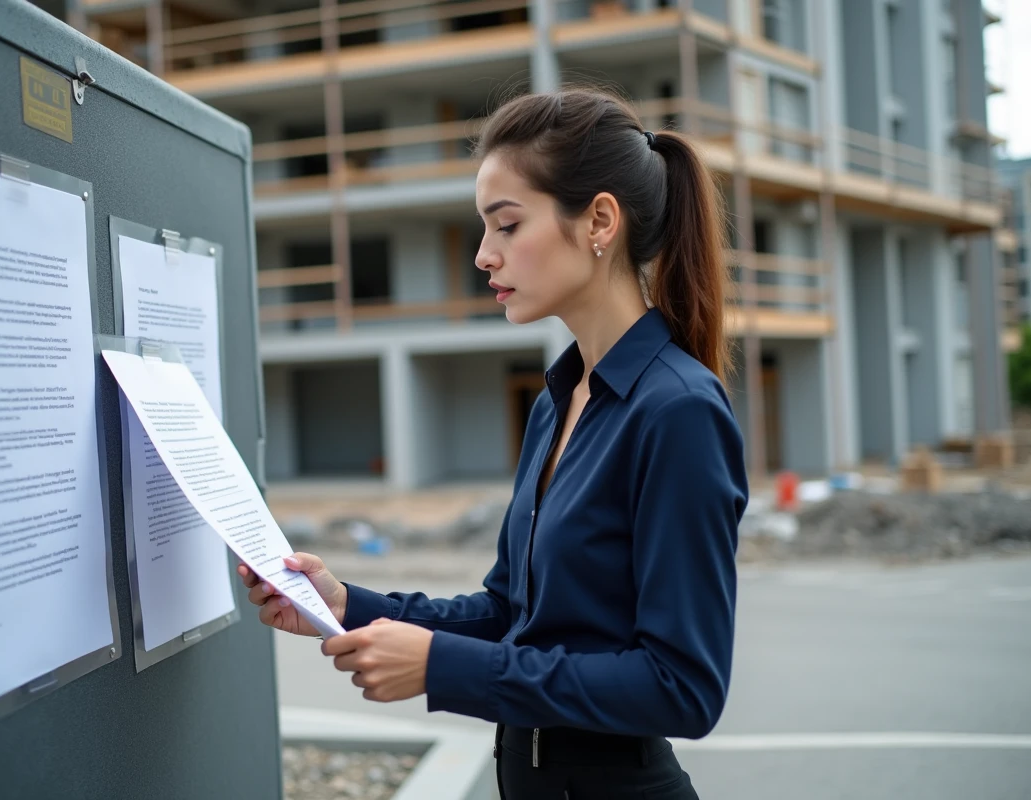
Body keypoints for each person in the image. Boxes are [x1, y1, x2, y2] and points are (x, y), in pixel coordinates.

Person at [239, 87, 749, 799]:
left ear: (601, 220)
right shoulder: (555, 403)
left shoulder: (679, 412)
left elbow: (682, 688)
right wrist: (343, 603)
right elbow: (512, 615)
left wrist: (443, 667)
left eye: (507, 226)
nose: (483, 255)